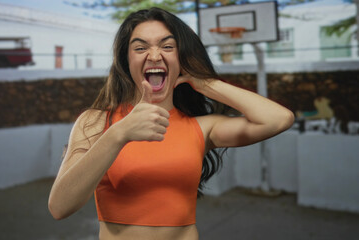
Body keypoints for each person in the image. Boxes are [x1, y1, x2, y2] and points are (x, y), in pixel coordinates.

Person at [48, 7, 294, 240]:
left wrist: (206, 83)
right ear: (126, 60)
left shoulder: (202, 128)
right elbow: (59, 207)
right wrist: (119, 133)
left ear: (181, 58)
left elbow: (279, 119)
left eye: (167, 46)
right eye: (140, 47)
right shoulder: (96, 121)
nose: (154, 55)